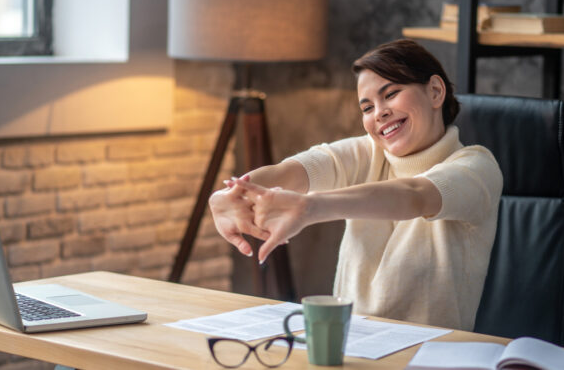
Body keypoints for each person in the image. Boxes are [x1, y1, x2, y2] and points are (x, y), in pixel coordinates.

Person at [209, 39, 503, 330]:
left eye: (391, 94)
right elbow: (291, 172)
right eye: (367, 107)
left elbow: (415, 195)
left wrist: (310, 207)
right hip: (351, 346)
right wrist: (232, 194)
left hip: (429, 355)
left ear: (435, 92)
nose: (379, 113)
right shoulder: (367, 152)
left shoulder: (476, 168)